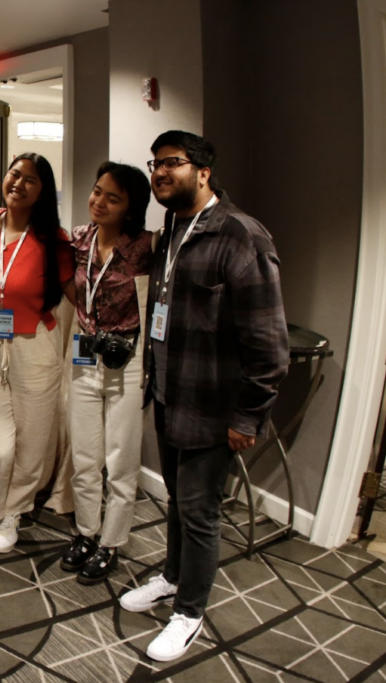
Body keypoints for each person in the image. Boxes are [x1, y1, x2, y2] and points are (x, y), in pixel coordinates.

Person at [118, 131, 289, 662]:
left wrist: (249, 415)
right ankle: (172, 577)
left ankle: (189, 613)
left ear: (204, 172)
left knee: (200, 512)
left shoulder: (241, 236)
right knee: (177, 502)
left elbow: (270, 344)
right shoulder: (173, 227)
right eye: (155, 164)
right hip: (171, 393)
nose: (160, 173)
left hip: (215, 409)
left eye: (172, 163)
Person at [0, 153, 74, 553]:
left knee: (32, 441)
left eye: (31, 180)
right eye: (14, 174)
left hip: (33, 348)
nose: (18, 184)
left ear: (43, 192)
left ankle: (13, 512)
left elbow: (75, 293)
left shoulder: (53, 239)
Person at [58, 162, 153, 582]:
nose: (99, 201)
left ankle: (111, 543)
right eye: (97, 191)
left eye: (112, 197)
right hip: (84, 355)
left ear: (130, 208)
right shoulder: (79, 239)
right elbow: (67, 280)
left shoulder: (147, 247)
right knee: (84, 456)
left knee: (120, 459)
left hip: (127, 363)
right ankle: (85, 532)